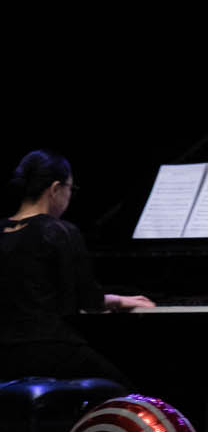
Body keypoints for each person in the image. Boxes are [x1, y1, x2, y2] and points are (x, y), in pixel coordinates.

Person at [2, 151, 146, 385]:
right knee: (125, 392)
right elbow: (88, 300)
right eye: (71, 188)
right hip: (47, 346)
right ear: (55, 188)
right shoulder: (59, 231)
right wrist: (119, 300)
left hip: (5, 354)